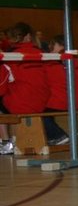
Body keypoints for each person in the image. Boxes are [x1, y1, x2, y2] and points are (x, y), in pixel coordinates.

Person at [0, 22, 50, 154]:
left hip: (22, 103)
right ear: (28, 36)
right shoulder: (42, 53)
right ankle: (14, 139)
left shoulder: (9, 56)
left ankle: (6, 142)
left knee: (4, 101)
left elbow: (2, 85)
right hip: (43, 101)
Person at [43, 35, 78, 145]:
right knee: (47, 107)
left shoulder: (53, 62)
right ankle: (53, 136)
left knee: (38, 110)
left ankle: (58, 135)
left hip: (70, 102)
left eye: (52, 45)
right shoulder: (77, 61)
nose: (49, 48)